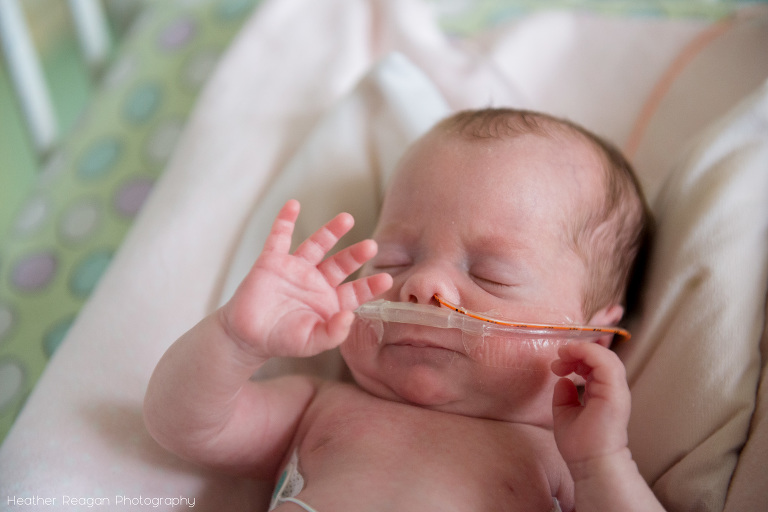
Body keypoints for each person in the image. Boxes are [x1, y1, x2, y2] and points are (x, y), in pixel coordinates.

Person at [144, 108, 664, 511]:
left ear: (589, 340)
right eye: (395, 259)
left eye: (490, 275)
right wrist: (236, 341)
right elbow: (182, 424)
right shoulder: (321, 411)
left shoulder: (564, 461)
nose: (423, 285)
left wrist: (603, 461)